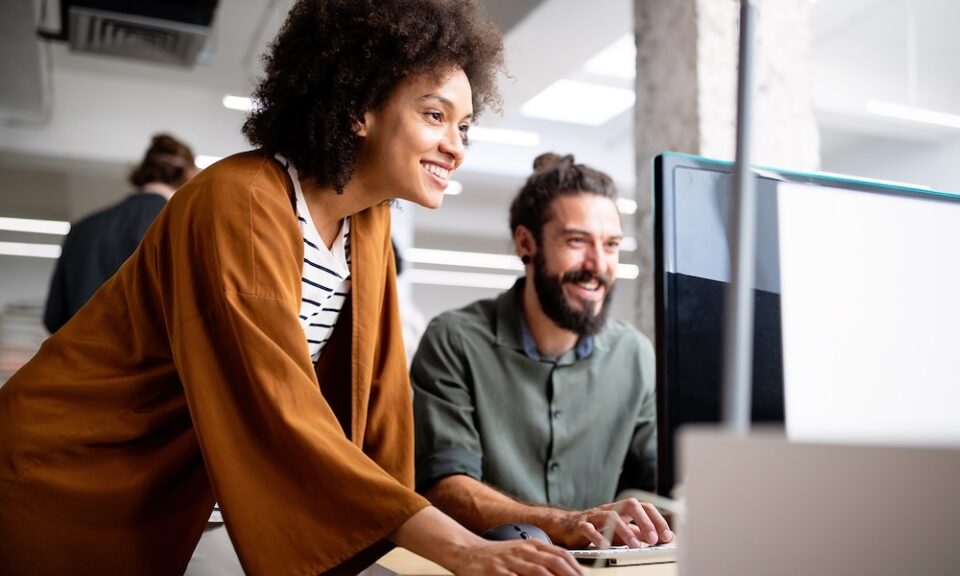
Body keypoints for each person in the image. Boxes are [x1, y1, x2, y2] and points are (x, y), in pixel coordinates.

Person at [0, 2, 583, 575]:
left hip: (171, 499)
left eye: (463, 126)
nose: (456, 145)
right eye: (435, 116)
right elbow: (278, 405)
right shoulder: (238, 200)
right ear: (360, 107)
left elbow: (378, 414)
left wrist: (420, 542)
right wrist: (459, 548)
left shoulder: (368, 225)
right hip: (66, 479)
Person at [411, 153, 675, 549]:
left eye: (612, 245)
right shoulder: (454, 340)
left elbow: (658, 482)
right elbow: (445, 489)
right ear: (526, 243)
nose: (598, 264)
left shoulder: (634, 353)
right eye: (576, 241)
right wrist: (565, 523)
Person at [43, 133, 196, 333]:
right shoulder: (180, 229)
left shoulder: (82, 229)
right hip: (146, 362)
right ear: (189, 176)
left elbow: (53, 318)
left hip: (79, 359)